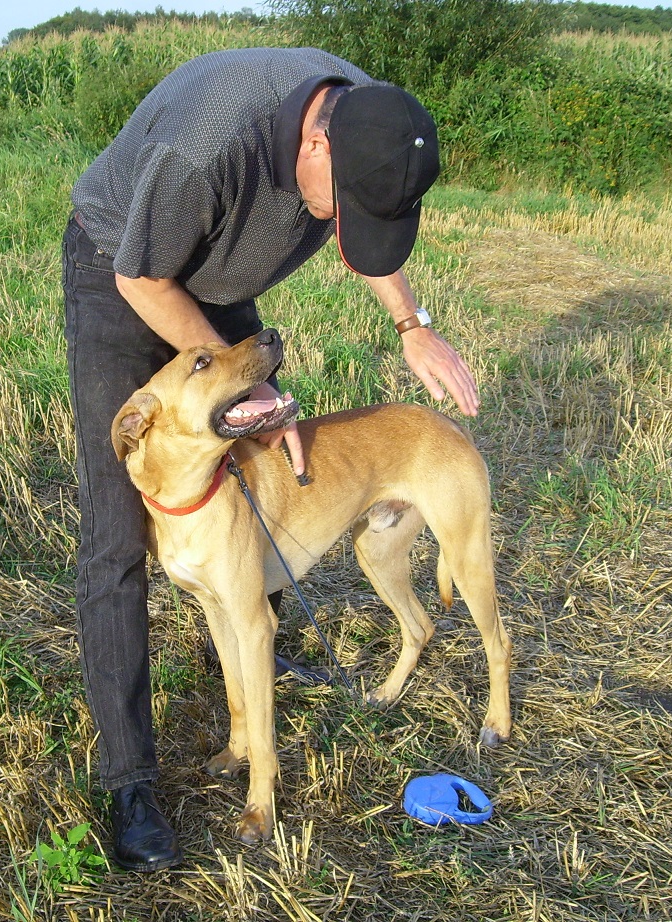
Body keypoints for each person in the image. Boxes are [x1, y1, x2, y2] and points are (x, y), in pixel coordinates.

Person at [61, 47, 479, 872]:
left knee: (264, 462)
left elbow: (369, 239)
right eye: (343, 210)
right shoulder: (209, 145)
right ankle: (131, 782)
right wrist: (230, 384)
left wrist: (411, 323)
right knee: (116, 541)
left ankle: (249, 654)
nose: (342, 230)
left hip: (216, 281)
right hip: (125, 268)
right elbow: (145, 277)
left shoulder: (367, 118)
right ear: (314, 147)